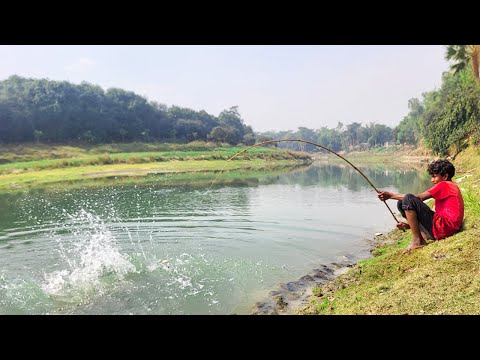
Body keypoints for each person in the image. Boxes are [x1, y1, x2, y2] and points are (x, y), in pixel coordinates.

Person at [377, 159, 464, 254]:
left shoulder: (445, 184)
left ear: (445, 176)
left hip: (445, 228)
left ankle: (417, 241)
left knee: (408, 199)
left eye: (434, 177)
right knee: (401, 202)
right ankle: (423, 236)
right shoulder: (451, 186)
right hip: (446, 228)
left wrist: (390, 195)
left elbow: (417, 198)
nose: (432, 180)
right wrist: (408, 226)